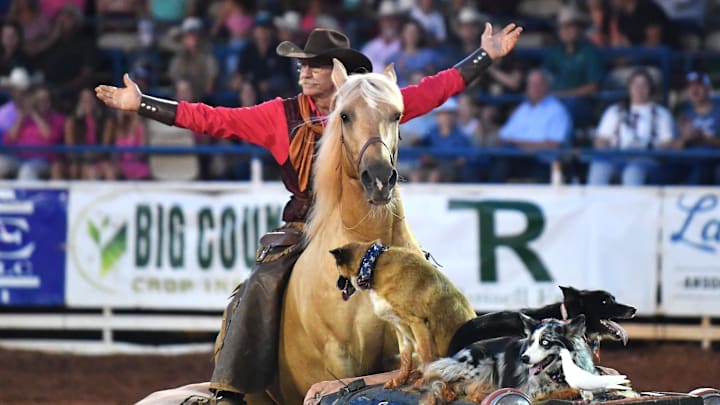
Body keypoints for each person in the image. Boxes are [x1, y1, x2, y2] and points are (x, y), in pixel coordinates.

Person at [96, 25, 522, 405]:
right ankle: (233, 384)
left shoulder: (373, 106)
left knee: (426, 277)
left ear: (338, 69)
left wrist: (486, 55)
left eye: (315, 65)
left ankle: (459, 374)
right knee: (262, 284)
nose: (304, 71)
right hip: (305, 225)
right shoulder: (280, 117)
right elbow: (214, 119)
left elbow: (436, 89)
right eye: (302, 64)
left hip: (381, 226)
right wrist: (144, 105)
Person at [586, 68, 675, 185]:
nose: (639, 89)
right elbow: (601, 139)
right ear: (629, 87)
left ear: (650, 88)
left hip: (645, 158)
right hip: (616, 155)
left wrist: (651, 153)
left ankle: (632, 203)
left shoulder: (661, 113)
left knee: (633, 172)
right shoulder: (614, 110)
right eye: (635, 84)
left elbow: (667, 142)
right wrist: (606, 151)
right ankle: (594, 203)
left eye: (644, 85)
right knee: (599, 166)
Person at [489, 69, 572, 183]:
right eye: (530, 84)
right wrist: (517, 144)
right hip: (515, 156)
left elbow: (554, 145)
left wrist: (519, 144)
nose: (532, 88)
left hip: (540, 163)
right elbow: (503, 136)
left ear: (546, 86)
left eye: (536, 84)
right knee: (488, 157)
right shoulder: (523, 108)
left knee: (503, 162)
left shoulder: (557, 111)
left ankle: (493, 194)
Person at [543, 6, 605, 130]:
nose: (566, 31)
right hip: (554, 100)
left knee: (567, 108)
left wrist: (563, 95)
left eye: (569, 26)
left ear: (578, 28)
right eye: (562, 27)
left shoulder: (590, 51)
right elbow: (544, 76)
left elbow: (593, 86)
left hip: (580, 103)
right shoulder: (556, 50)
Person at [667, 71, 720, 184]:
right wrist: (684, 139)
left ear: (708, 87)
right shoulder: (683, 116)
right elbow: (675, 147)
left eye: (698, 85)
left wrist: (704, 138)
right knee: (663, 173)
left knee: (701, 173)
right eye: (690, 87)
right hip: (687, 162)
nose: (694, 90)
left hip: (713, 161)